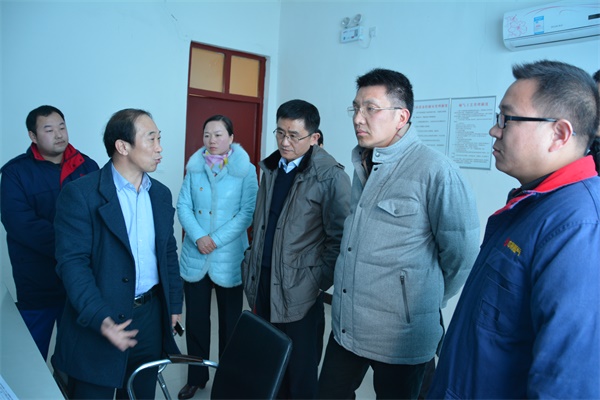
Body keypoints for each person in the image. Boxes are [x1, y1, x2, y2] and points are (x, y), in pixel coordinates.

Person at [428, 60, 600, 399]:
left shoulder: (579, 227)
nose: (494, 131)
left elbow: (565, 384)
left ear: (559, 134)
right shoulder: (534, 202)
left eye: (507, 119)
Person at [318, 68, 480, 399]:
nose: (358, 118)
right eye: (356, 108)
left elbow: (461, 255)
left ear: (401, 117)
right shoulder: (364, 163)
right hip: (347, 324)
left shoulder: (436, 171)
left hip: (401, 334)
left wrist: (425, 299)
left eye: (370, 108)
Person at [51, 108, 183, 399]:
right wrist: (100, 317)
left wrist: (174, 304)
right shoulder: (81, 194)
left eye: (159, 138)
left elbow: (167, 252)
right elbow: (73, 265)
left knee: (140, 391)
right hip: (100, 317)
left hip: (149, 317)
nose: (159, 148)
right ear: (122, 146)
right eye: (151, 139)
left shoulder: (159, 194)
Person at [242, 99, 351, 399]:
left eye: (293, 135)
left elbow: (340, 238)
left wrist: (315, 282)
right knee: (268, 359)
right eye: (280, 133)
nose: (284, 142)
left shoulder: (330, 177)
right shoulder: (271, 168)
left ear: (314, 137)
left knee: (299, 370)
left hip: (300, 290)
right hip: (263, 282)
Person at [0, 105, 98, 360]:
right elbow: (20, 224)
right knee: (32, 354)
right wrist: (73, 244)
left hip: (78, 279)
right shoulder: (15, 172)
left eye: (62, 127)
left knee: (76, 352)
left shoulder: (87, 166)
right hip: (37, 279)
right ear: (33, 136)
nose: (59, 134)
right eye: (49, 129)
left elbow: (100, 216)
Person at [176, 115, 258, 399]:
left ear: (231, 138)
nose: (212, 140)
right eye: (207, 134)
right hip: (196, 254)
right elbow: (183, 206)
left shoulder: (246, 170)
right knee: (196, 322)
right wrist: (199, 237)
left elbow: (247, 213)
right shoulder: (194, 167)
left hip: (229, 256)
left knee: (230, 324)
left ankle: (228, 379)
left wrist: (215, 240)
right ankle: (196, 377)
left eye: (218, 134)